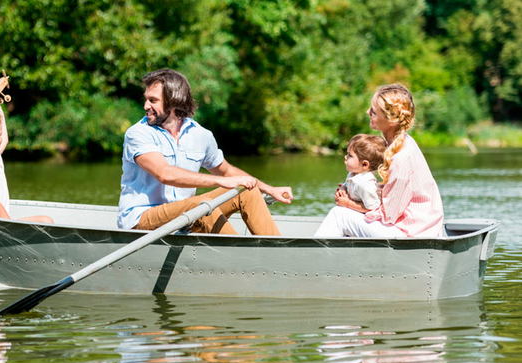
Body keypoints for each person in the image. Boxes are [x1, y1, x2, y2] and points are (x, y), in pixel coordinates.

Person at [117, 68, 293, 236]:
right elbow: (165, 174)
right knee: (202, 207)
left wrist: (269, 189)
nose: (146, 105)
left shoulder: (200, 134)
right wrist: (225, 181)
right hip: (142, 218)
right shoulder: (138, 133)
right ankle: (242, 262)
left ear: (173, 101)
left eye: (153, 100)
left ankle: (278, 254)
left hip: (185, 215)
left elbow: (226, 171)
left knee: (247, 189)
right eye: (146, 99)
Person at [315, 84, 443, 238]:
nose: (368, 112)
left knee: (339, 215)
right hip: (411, 227)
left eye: (374, 111)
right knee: (345, 213)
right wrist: (353, 190)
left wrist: (350, 204)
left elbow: (389, 215)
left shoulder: (401, 158)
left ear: (391, 120)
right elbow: (395, 194)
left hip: (413, 234)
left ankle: (312, 259)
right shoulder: (400, 143)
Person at [334, 134, 386, 214]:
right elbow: (347, 184)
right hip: (356, 214)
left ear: (364, 164)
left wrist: (347, 203)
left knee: (336, 212)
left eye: (350, 155)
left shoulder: (365, 183)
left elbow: (372, 208)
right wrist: (343, 189)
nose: (345, 157)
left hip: (368, 219)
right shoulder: (354, 174)